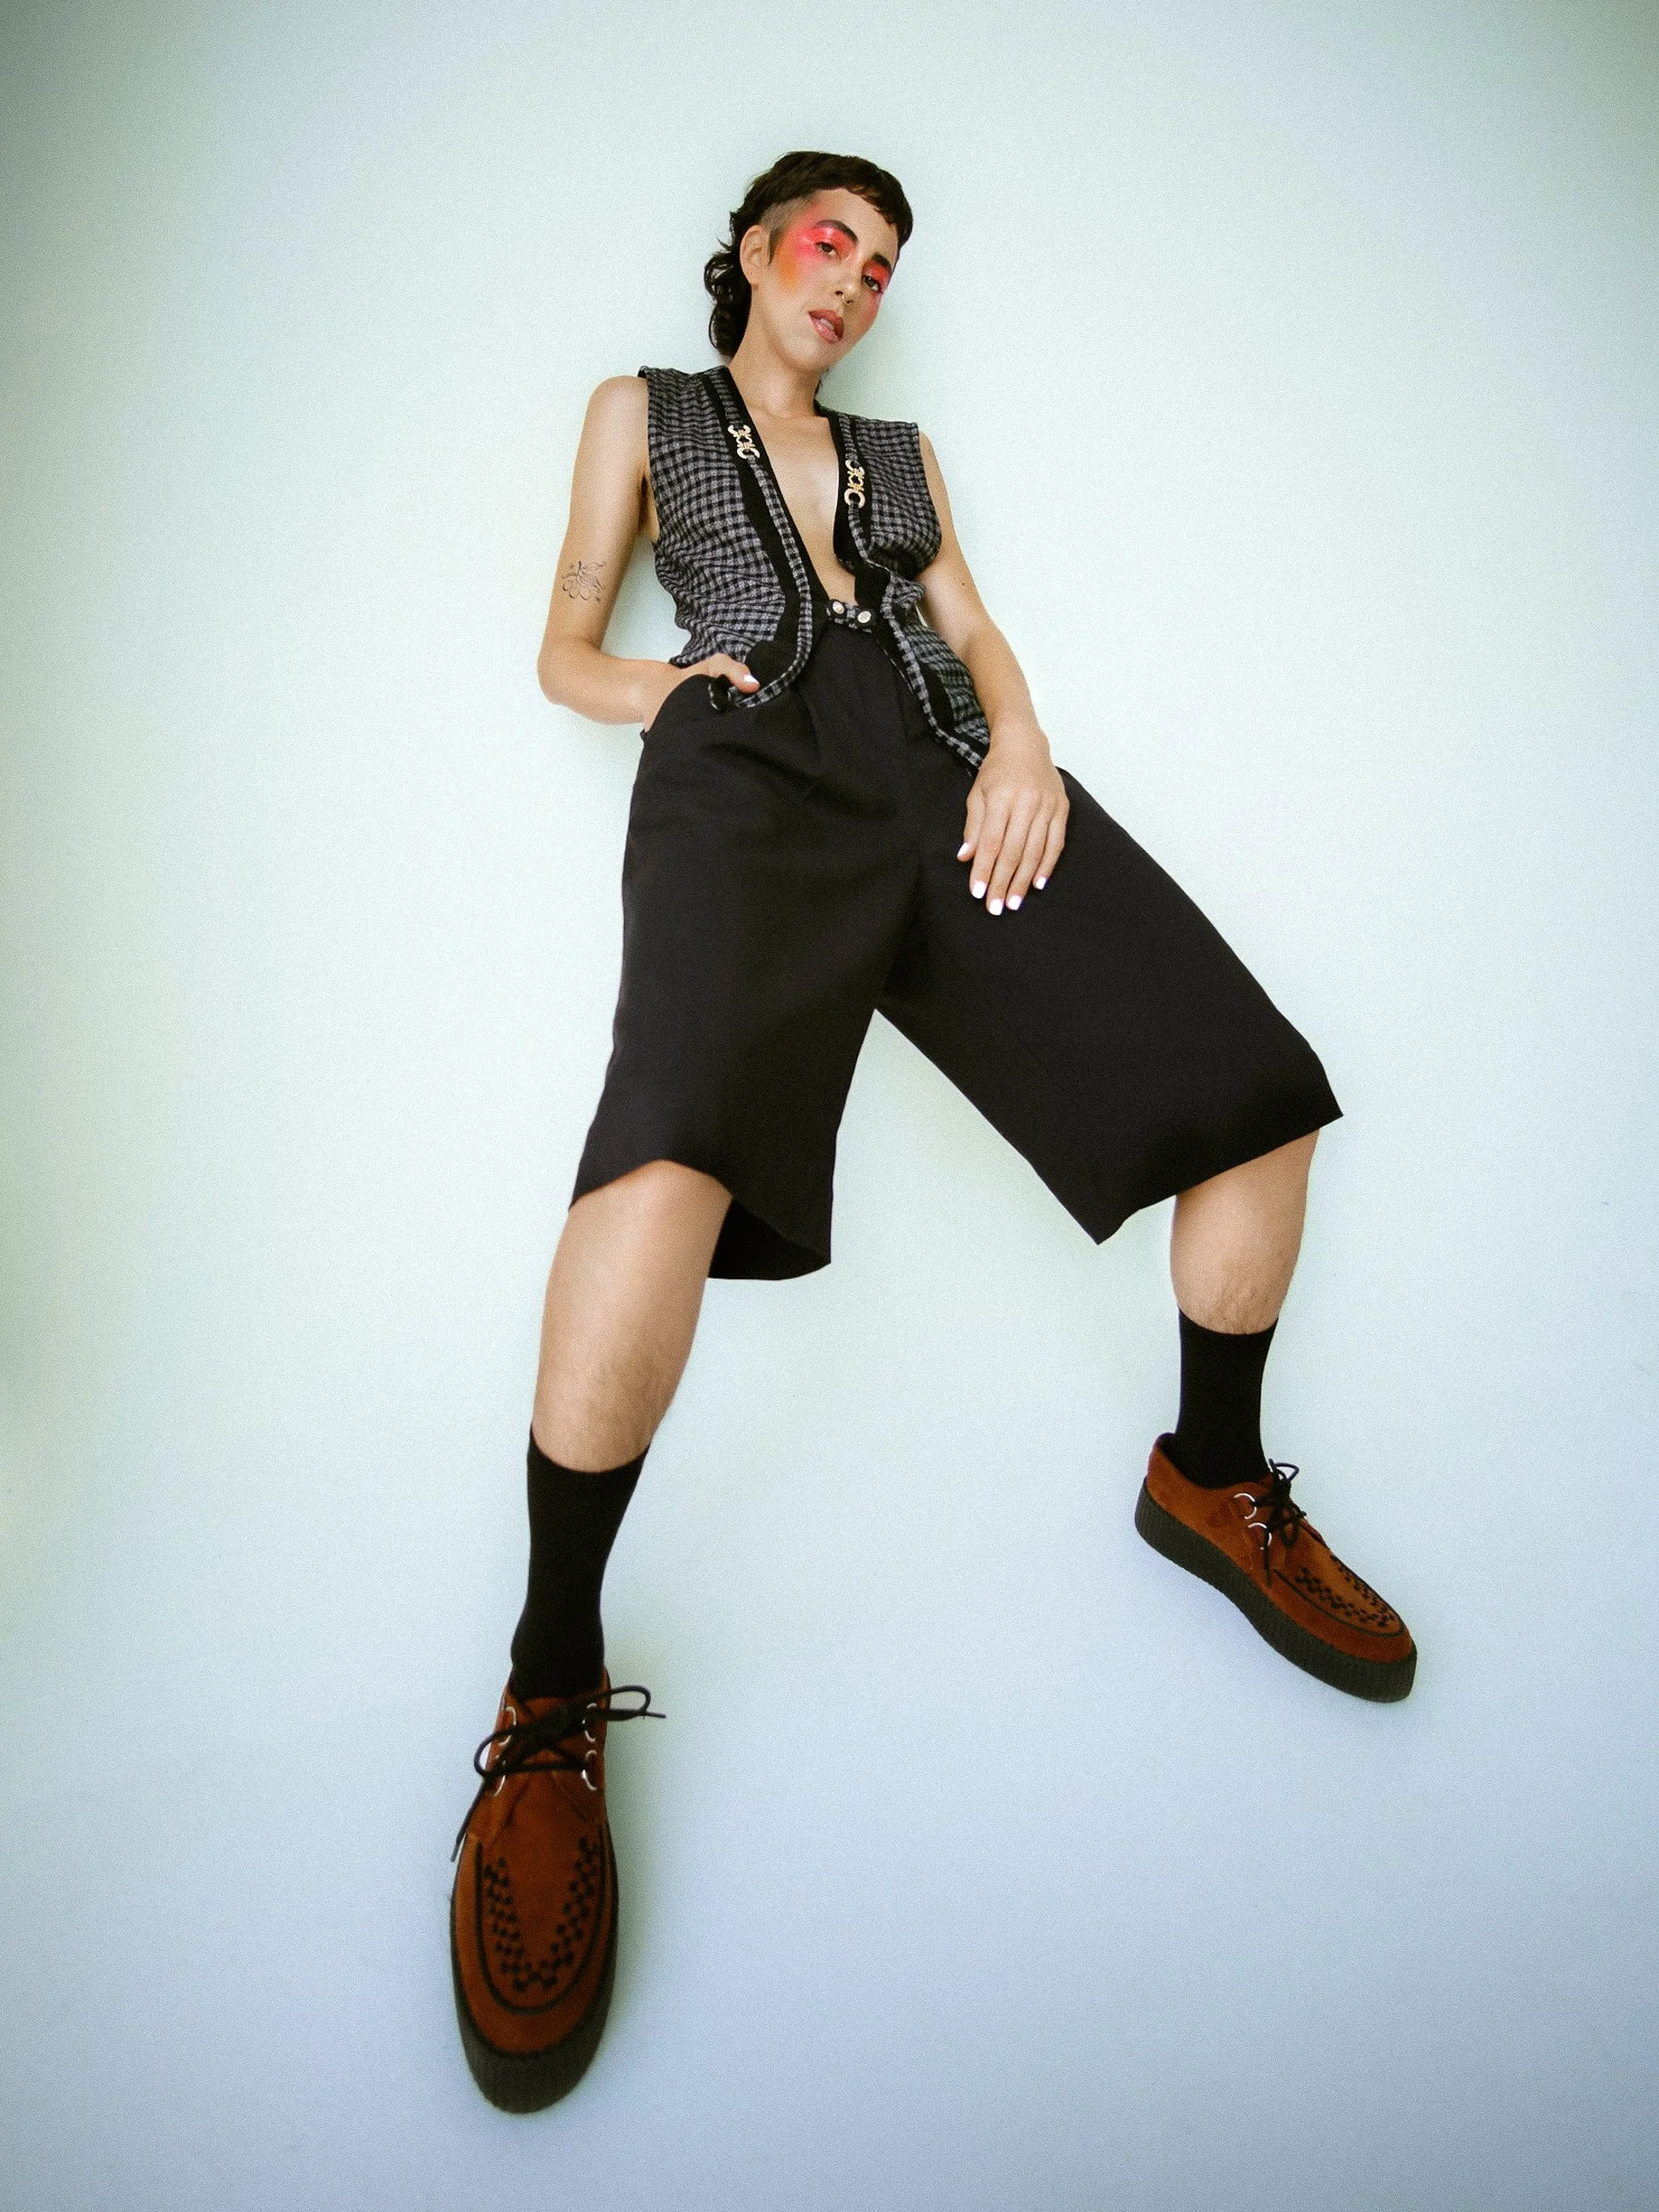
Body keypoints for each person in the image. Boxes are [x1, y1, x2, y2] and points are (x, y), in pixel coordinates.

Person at [448, 150, 1417, 2114]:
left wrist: (1031, 742)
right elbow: (557, 644)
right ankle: (549, 1682)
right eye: (829, 243)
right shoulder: (643, 410)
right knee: (667, 1149)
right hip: (742, 779)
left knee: (1253, 1088)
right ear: (748, 247)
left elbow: (972, 629)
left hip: (954, 785)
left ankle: (1208, 1476)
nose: (854, 281)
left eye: (880, 266)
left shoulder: (901, 449)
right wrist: (669, 682)